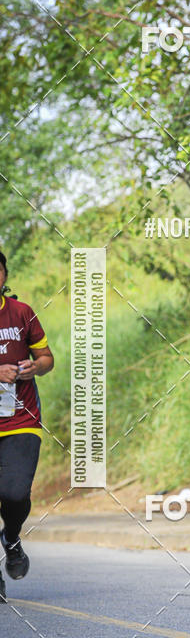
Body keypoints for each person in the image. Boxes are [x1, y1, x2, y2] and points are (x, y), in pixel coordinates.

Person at [0, 251, 54, 602]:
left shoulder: (21, 312)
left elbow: (47, 358)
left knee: (15, 493)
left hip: (21, 419)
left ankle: (12, 538)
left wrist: (37, 367)